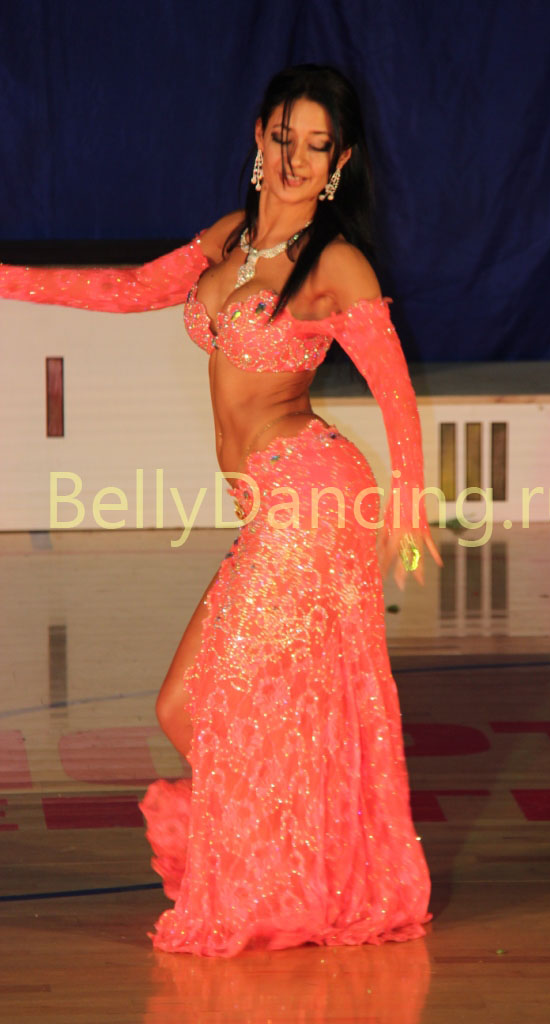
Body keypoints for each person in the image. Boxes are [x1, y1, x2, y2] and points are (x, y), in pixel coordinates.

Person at [0, 64, 442, 957]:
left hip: (310, 503)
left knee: (207, 705)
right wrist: (7, 279)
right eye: (284, 138)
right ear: (259, 137)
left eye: (317, 147)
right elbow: (128, 288)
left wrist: (407, 504)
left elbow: (395, 392)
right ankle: (299, 859)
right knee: (185, 708)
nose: (296, 159)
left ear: (340, 164)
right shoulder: (231, 239)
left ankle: (289, 870)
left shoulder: (337, 264)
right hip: (267, 511)